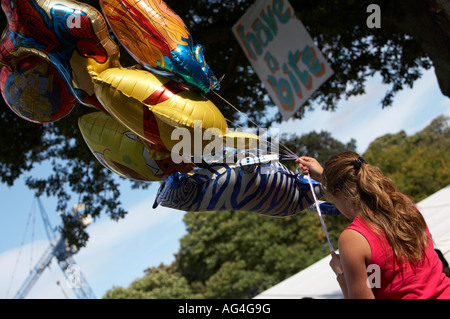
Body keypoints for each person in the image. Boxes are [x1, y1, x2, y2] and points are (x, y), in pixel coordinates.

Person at [296, 151, 450, 299]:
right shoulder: (404, 204)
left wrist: (340, 274)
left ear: (339, 192)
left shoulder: (353, 239)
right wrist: (326, 178)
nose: (334, 203)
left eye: (332, 197)